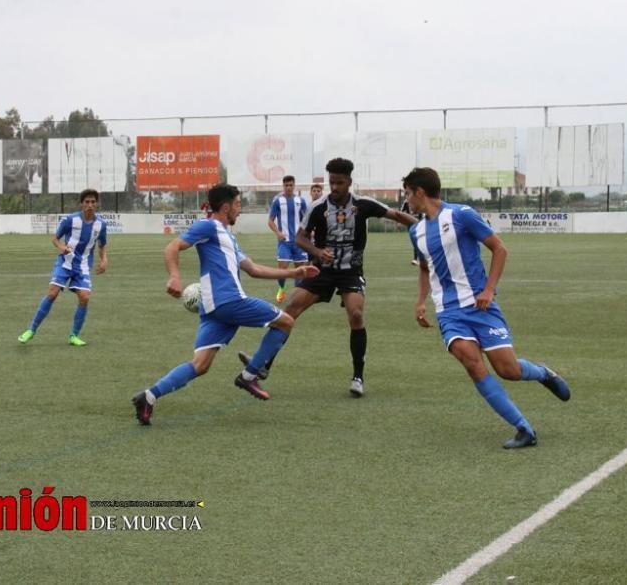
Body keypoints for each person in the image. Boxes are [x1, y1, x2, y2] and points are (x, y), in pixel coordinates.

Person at [402, 167, 570, 449]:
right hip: (449, 312)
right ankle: (523, 428)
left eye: (408, 193)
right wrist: (421, 301)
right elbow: (424, 267)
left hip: (480, 306)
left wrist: (489, 290)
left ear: (420, 191)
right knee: (471, 361)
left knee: (508, 370)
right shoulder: (416, 231)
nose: (406, 200)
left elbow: (499, 249)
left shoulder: (460, 215)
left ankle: (542, 373)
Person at [131, 183, 319, 426]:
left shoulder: (227, 236)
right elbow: (172, 246)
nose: (240, 210)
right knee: (286, 322)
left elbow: (253, 269)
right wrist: (175, 276)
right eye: (238, 205)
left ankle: (148, 396)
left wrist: (296, 273)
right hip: (228, 300)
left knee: (200, 365)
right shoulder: (208, 226)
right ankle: (249, 375)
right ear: (226, 206)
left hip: (214, 309)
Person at [239, 158, 418, 397]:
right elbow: (300, 238)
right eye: (331, 182)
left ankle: (358, 377)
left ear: (349, 182)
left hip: (351, 271)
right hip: (321, 270)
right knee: (290, 309)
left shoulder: (363, 204)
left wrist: (426, 225)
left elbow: (395, 214)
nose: (334, 187)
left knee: (355, 314)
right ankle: (263, 364)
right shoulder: (318, 207)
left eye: (339, 183)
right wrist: (317, 252)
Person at [18, 189, 108, 346]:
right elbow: (55, 239)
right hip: (65, 263)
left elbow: (102, 245)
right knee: (52, 293)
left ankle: (74, 336)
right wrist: (61, 247)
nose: (90, 205)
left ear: (97, 204)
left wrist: (104, 260)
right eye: (87, 202)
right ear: (81, 204)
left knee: (85, 297)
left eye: (93, 202)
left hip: (83, 266)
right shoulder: (70, 220)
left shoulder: (101, 225)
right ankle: (31, 330)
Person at [268, 175, 310, 303]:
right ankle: (281, 288)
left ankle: (297, 295)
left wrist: (308, 232)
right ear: (283, 186)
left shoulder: (300, 201)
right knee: (282, 268)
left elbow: (307, 219)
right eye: (286, 185)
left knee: (300, 270)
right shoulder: (278, 201)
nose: (288, 187)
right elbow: (270, 221)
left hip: (299, 242)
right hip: (284, 242)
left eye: (291, 185)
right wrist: (278, 233)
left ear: (294, 185)